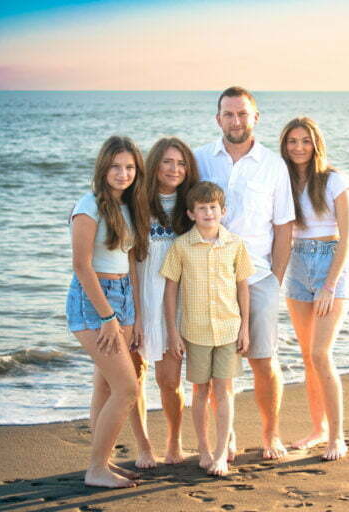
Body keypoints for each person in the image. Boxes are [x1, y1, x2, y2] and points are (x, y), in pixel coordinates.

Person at [194, 86, 295, 459]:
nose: (236, 121)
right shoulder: (199, 158)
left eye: (243, 114)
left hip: (258, 279)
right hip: (208, 284)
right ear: (218, 118)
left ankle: (271, 435)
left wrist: (276, 278)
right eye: (229, 114)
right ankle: (226, 437)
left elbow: (284, 225)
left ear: (256, 117)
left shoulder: (273, 165)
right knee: (213, 369)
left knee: (264, 361)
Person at [65, 135, 149, 487]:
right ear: (103, 168)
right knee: (128, 389)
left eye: (129, 167)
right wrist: (107, 317)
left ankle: (103, 462)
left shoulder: (127, 206)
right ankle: (96, 469)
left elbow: (130, 260)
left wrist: (137, 315)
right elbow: (82, 266)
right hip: (94, 302)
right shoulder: (89, 205)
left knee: (105, 385)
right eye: (116, 166)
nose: (123, 173)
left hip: (124, 297)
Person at [160, 181, 254, 476]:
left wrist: (245, 328)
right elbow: (170, 291)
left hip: (229, 329)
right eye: (202, 209)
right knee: (200, 391)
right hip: (195, 331)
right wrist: (173, 333)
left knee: (225, 391)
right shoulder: (181, 246)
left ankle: (220, 453)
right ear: (191, 213)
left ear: (223, 211)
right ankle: (203, 448)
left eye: (213, 208)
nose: (208, 213)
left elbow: (243, 287)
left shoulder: (235, 244)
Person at [280, 117, 349, 461]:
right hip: (296, 266)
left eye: (304, 141)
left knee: (322, 354)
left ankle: (337, 437)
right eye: (292, 141)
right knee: (308, 357)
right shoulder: (283, 181)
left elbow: (347, 236)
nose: (298, 147)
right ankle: (317, 429)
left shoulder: (334, 180)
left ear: (315, 144)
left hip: (329, 267)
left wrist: (329, 285)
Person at [133, 137, 199, 466]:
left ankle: (174, 442)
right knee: (133, 377)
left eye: (182, 163)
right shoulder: (137, 203)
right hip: (140, 296)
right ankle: (144, 445)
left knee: (169, 380)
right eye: (168, 162)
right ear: (155, 164)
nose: (175, 169)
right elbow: (128, 259)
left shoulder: (192, 206)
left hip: (177, 302)